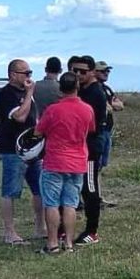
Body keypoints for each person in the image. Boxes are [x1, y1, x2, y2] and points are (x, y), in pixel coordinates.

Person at [34, 72, 96, 254]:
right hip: (77, 161)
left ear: (60, 88)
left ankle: (52, 243)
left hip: (55, 161)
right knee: (70, 203)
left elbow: (38, 132)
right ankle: (69, 243)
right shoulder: (87, 109)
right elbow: (90, 129)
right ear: (77, 87)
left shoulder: (53, 110)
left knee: (52, 203)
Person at [0, 59, 45, 245]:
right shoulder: (6, 94)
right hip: (13, 150)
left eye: (30, 73)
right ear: (13, 74)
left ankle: (40, 227)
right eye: (25, 73)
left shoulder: (26, 93)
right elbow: (21, 116)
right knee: (11, 191)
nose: (29, 77)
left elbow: (34, 117)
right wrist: (30, 92)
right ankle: (9, 232)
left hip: (32, 149)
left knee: (39, 189)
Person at [74, 55, 107, 245]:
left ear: (92, 72)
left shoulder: (96, 93)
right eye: (75, 71)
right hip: (78, 147)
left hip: (90, 148)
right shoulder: (81, 90)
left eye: (83, 72)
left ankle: (92, 231)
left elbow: (93, 126)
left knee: (90, 188)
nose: (78, 74)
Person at [95, 61, 124, 208]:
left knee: (100, 166)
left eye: (107, 71)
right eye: (102, 71)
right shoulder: (93, 89)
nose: (106, 73)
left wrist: (111, 105)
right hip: (98, 131)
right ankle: (94, 197)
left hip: (107, 131)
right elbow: (108, 107)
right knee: (95, 165)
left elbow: (119, 106)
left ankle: (99, 197)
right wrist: (109, 106)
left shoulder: (106, 89)